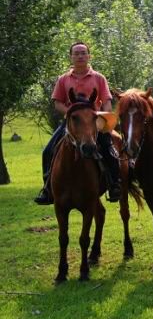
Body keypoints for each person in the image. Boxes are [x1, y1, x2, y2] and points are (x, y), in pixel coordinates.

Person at [34, 42, 121, 205]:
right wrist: (71, 114)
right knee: (47, 151)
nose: (80, 56)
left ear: (89, 56)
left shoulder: (99, 78)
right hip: (72, 124)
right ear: (71, 57)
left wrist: (103, 117)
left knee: (110, 150)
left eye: (83, 53)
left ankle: (114, 185)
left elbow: (107, 101)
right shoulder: (63, 79)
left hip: (94, 123)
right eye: (76, 53)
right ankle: (48, 190)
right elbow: (57, 102)